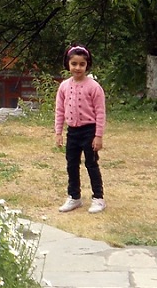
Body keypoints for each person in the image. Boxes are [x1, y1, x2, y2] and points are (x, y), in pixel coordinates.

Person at [54, 44, 106, 214]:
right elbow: (60, 110)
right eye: (74, 64)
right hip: (73, 132)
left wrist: (98, 136)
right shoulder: (63, 86)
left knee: (91, 163)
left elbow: (100, 112)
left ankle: (98, 198)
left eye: (82, 64)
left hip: (89, 131)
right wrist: (58, 132)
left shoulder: (94, 87)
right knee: (71, 164)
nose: (77, 68)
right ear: (68, 64)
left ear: (87, 65)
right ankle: (74, 197)